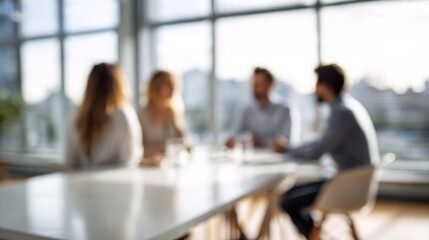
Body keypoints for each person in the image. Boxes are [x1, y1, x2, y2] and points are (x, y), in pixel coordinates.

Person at [281, 64, 379, 239]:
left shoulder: (342, 112)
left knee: (288, 202)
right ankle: (315, 233)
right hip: (349, 180)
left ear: (326, 87)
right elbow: (321, 144)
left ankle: (314, 235)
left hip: (348, 185)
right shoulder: (346, 107)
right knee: (290, 192)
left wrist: (286, 149)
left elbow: (317, 151)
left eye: (317, 84)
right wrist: (289, 148)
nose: (315, 90)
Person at [66, 63, 143, 169]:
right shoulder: (123, 114)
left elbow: (71, 162)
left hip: (82, 184)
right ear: (119, 85)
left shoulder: (76, 115)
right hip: (116, 184)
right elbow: (130, 161)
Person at [225, 67, 296, 152]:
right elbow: (234, 136)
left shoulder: (284, 109)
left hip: (277, 161)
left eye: (258, 84)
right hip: (250, 160)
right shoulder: (246, 110)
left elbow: (286, 142)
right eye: (253, 84)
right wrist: (247, 140)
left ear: (270, 84)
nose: (254, 89)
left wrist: (259, 142)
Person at [138, 70, 185, 161]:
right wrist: (160, 150)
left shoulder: (174, 113)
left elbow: (182, 141)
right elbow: (135, 149)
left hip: (171, 166)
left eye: (174, 84)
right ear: (156, 87)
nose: (173, 88)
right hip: (148, 167)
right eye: (168, 84)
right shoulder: (141, 114)